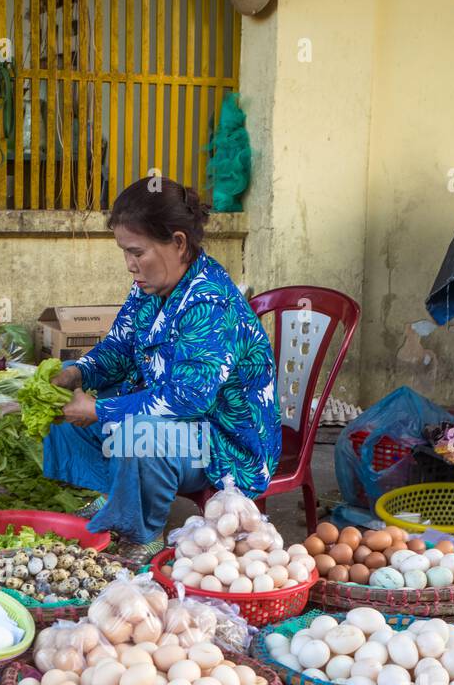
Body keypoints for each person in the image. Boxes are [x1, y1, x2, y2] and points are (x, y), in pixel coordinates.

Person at [43, 178, 281, 555]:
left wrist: (101, 409)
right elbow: (119, 346)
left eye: (137, 252)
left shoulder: (209, 303)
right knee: (59, 414)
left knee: (137, 437)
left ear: (178, 242)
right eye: (124, 252)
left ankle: (142, 537)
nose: (129, 265)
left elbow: (189, 400)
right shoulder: (149, 287)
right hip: (179, 422)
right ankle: (118, 503)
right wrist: (77, 372)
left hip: (222, 440)